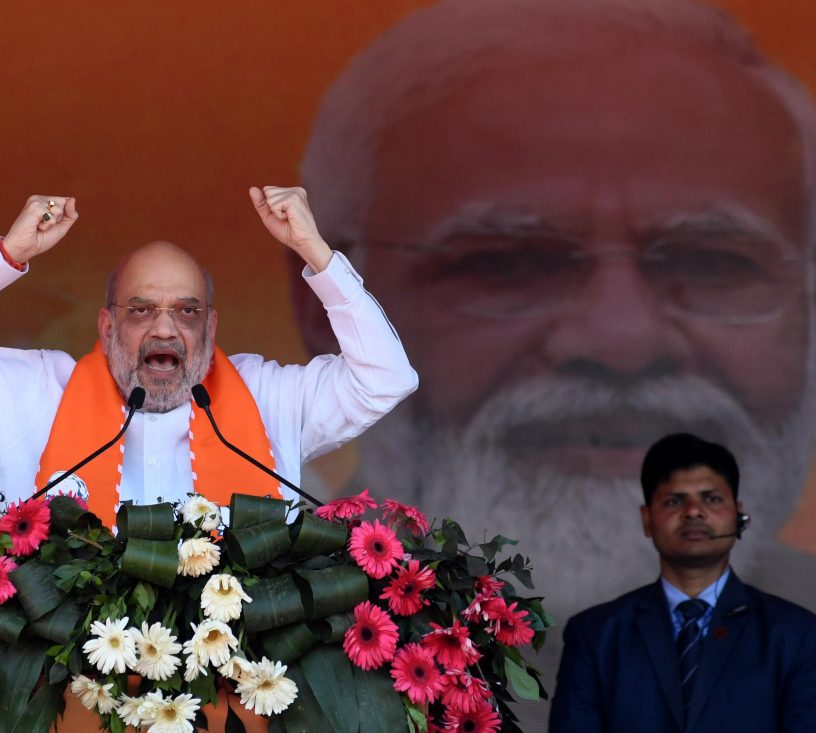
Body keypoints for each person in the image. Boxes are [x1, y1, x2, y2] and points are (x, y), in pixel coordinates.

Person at [295, 0, 816, 623]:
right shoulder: (209, 647)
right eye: (508, 264)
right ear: (326, 310)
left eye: (710, 263)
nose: (622, 340)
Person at [0, 186, 418, 519]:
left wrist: (318, 257)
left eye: (186, 312)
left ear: (210, 327)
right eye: (141, 310)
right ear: (107, 325)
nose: (164, 328)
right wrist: (4, 257)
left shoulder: (269, 396)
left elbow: (385, 378)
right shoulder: (29, 394)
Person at [550, 433, 816, 732]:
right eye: (674, 500)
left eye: (711, 499)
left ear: (739, 516)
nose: (693, 511)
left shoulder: (796, 634)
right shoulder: (595, 635)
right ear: (648, 520)